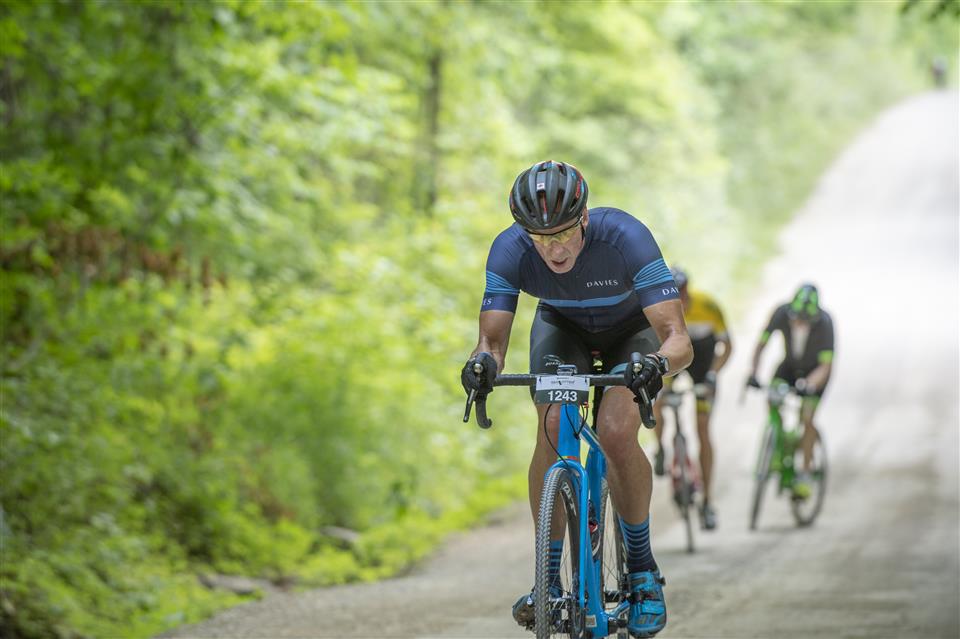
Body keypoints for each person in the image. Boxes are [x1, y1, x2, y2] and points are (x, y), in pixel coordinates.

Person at [461, 160, 692, 638]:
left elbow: (677, 339)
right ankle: (547, 581)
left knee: (613, 432)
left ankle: (643, 573)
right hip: (561, 328)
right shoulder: (509, 249)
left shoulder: (626, 237)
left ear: (584, 218)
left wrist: (656, 365)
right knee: (550, 424)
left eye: (563, 233)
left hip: (632, 334)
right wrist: (482, 364)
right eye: (539, 238)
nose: (553, 248)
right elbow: (493, 344)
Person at [652, 267, 731, 530]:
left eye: (684, 293)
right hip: (676, 362)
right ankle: (660, 447)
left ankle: (707, 502)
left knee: (702, 428)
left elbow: (727, 346)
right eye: (676, 294)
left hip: (703, 366)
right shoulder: (661, 308)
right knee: (658, 400)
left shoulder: (708, 305)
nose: (681, 299)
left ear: (689, 289)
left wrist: (712, 374)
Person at [747, 283, 834, 498]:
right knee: (772, 396)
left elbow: (825, 365)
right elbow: (762, 343)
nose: (800, 323)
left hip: (815, 372)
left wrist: (810, 385)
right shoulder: (782, 312)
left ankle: (804, 472)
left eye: (805, 321)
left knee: (807, 417)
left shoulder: (824, 323)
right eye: (797, 319)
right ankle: (778, 443)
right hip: (789, 366)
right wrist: (754, 372)